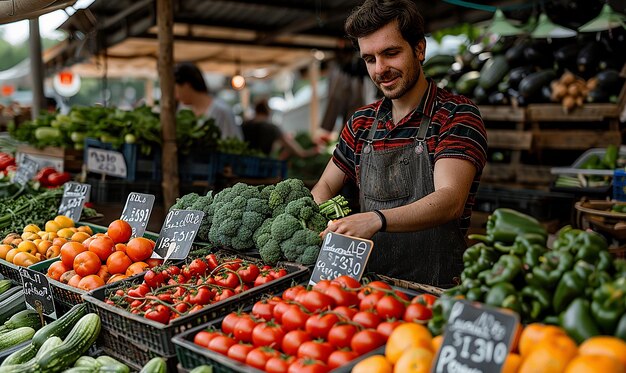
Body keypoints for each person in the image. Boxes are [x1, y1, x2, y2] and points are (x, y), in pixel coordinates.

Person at [311, 0, 488, 287]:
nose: (380, 69)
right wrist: (319, 216)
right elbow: (325, 186)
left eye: (390, 53)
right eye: (370, 59)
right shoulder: (361, 122)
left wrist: (376, 219)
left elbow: (450, 199)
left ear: (420, 49)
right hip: (367, 285)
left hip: (434, 290)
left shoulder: (456, 115)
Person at [174, 62, 243, 140]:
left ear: (187, 86)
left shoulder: (221, 110)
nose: (176, 96)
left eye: (176, 90)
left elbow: (235, 143)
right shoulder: (183, 109)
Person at [242, 98, 319, 159]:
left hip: (242, 164)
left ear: (256, 110)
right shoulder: (272, 128)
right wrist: (313, 151)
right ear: (268, 112)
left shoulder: (244, 125)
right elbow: (299, 152)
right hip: (263, 167)